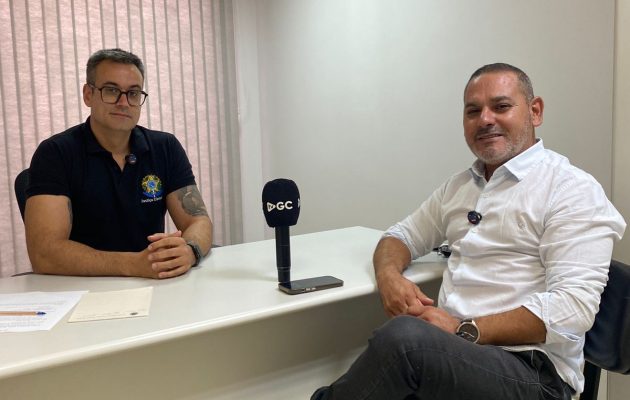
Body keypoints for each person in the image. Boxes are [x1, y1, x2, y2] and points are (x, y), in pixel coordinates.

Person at [312, 63, 626, 399]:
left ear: (535, 111)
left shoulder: (571, 189)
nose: (485, 119)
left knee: (404, 343)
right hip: (460, 356)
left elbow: (573, 309)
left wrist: (462, 329)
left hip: (534, 371)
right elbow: (400, 236)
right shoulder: (460, 187)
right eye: (473, 111)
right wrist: (389, 277)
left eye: (501, 106)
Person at [24, 48, 212, 279]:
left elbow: (198, 221)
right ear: (88, 95)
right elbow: (44, 254)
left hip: (154, 284)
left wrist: (189, 251)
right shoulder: (55, 153)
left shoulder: (165, 147)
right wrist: (134, 265)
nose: (124, 102)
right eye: (111, 90)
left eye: (133, 93)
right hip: (81, 287)